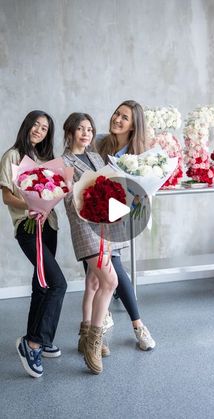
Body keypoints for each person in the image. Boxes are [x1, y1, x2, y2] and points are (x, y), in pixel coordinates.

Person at [0, 110, 67, 378]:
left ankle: (38, 335)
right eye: (36, 125)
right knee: (58, 283)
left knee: (42, 285)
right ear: (27, 125)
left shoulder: (44, 158)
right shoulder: (12, 156)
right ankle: (33, 344)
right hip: (29, 229)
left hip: (49, 226)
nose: (40, 130)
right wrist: (31, 204)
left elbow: (53, 190)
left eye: (45, 127)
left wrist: (48, 200)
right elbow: (6, 197)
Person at [62, 112, 128, 374]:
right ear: (69, 133)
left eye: (89, 129)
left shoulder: (97, 157)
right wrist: (89, 201)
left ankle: (84, 332)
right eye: (80, 129)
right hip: (84, 227)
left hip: (104, 226)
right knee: (111, 281)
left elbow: (110, 187)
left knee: (94, 282)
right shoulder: (63, 162)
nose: (86, 133)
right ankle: (93, 342)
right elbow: (68, 201)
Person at [95, 100, 156, 351]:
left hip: (121, 213)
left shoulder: (139, 156)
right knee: (99, 268)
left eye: (125, 118)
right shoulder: (99, 142)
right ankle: (103, 321)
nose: (117, 119)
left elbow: (141, 190)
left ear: (133, 126)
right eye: (116, 113)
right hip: (95, 212)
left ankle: (136, 325)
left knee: (113, 265)